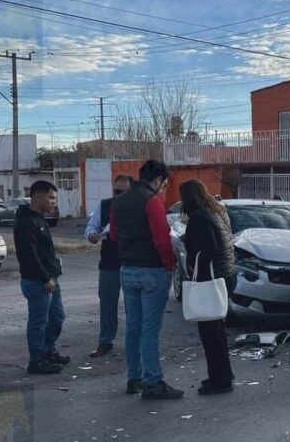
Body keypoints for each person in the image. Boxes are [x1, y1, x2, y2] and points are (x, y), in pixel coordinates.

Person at [109, 160, 183, 400]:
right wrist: (169, 266)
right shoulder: (152, 201)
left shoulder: (118, 201)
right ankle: (152, 381)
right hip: (152, 270)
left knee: (133, 327)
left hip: (127, 269)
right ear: (159, 180)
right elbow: (162, 239)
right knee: (150, 329)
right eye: (165, 184)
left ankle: (135, 378)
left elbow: (113, 235)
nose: (163, 188)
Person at [179, 180, 237, 395]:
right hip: (225, 275)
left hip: (210, 279)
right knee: (217, 332)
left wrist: (192, 258)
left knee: (210, 334)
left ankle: (220, 380)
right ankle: (223, 375)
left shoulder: (199, 218)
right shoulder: (215, 212)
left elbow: (208, 249)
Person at [15, 181, 70, 375]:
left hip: (51, 279)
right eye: (51, 198)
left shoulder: (39, 219)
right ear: (37, 197)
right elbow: (29, 255)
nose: (54, 202)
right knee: (38, 322)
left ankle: (48, 351)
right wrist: (46, 278)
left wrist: (53, 273)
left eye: (54, 198)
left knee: (57, 318)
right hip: (38, 281)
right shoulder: (26, 221)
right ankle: (37, 360)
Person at [84, 175, 133, 358]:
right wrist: (92, 235)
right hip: (109, 263)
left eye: (124, 192)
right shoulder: (105, 205)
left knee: (133, 306)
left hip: (132, 262)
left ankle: (133, 342)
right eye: (116, 191)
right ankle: (105, 341)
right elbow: (91, 227)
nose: (119, 196)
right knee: (107, 304)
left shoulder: (138, 207)